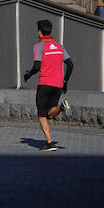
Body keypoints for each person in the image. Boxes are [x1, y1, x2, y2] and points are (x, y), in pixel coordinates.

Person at [23, 19, 74, 151]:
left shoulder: (38, 46)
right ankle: (61, 107)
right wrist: (65, 81)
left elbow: (37, 66)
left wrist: (29, 74)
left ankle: (50, 142)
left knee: (41, 114)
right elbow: (70, 64)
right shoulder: (59, 45)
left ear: (39, 32)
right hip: (58, 85)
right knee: (50, 114)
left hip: (45, 83)